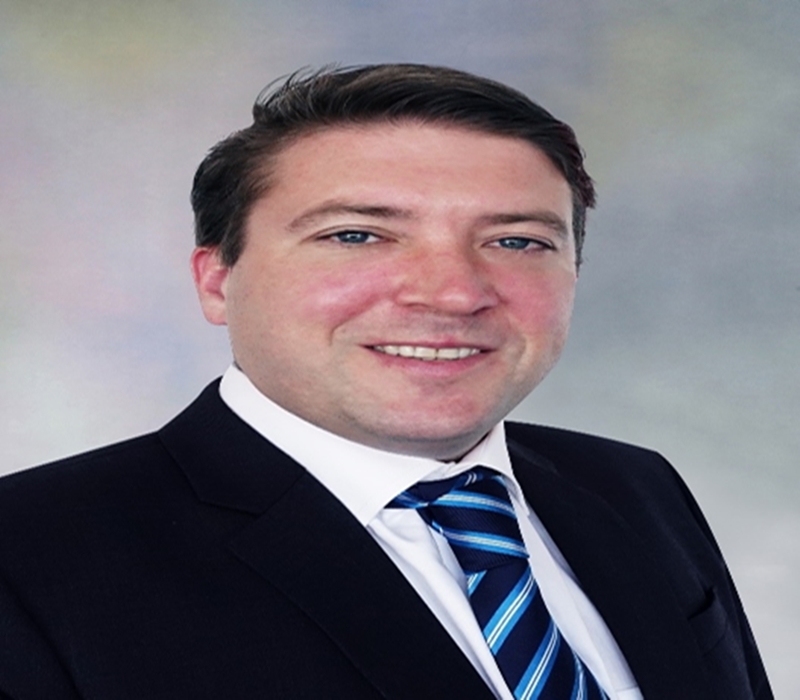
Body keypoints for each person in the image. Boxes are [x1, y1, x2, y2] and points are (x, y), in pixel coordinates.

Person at [0, 64, 771, 700]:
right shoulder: (31, 558)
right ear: (217, 279)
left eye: (516, 241)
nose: (453, 293)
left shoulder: (632, 486)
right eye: (357, 235)